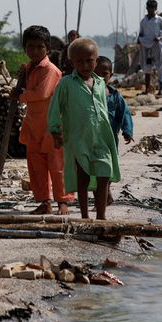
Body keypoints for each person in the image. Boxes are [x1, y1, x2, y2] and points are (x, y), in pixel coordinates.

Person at [48, 38, 120, 220]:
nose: (85, 65)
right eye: (80, 61)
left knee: (104, 174)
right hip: (79, 138)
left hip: (101, 137)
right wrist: (56, 131)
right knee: (83, 177)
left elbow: (102, 108)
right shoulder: (66, 84)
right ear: (72, 62)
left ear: (96, 60)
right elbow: (55, 108)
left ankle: (101, 216)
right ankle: (85, 215)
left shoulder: (100, 83)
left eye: (89, 60)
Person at [13, 25, 73, 215]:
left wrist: (19, 96)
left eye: (40, 47)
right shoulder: (28, 69)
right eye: (30, 47)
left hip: (53, 125)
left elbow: (42, 93)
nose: (35, 51)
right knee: (36, 166)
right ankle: (44, 201)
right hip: (33, 124)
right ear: (25, 48)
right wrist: (19, 89)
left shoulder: (51, 70)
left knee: (57, 165)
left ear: (47, 48)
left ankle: (62, 202)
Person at [93, 57, 134, 147]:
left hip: (110, 137)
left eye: (104, 74)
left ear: (110, 75)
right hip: (91, 137)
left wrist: (127, 130)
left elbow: (125, 113)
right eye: (96, 74)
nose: (100, 77)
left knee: (110, 158)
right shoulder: (86, 93)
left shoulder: (115, 95)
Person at [137, 0, 162, 96]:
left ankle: (161, 90)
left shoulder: (159, 20)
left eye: (152, 8)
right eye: (148, 8)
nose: (150, 10)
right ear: (147, 8)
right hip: (146, 46)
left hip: (157, 45)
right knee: (147, 68)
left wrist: (160, 37)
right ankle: (147, 89)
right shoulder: (143, 21)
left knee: (161, 67)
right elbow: (141, 33)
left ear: (155, 9)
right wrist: (138, 41)